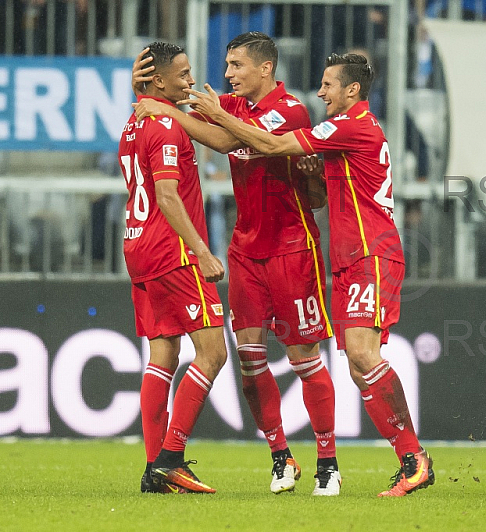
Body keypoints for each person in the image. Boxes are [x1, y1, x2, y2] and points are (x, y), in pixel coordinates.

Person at [171, 52, 435, 498]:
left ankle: (409, 459)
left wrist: (218, 115)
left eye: (328, 85)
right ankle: (407, 457)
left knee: (361, 355)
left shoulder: (348, 124)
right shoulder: (342, 132)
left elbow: (273, 146)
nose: (320, 93)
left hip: (370, 251)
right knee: (358, 364)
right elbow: (319, 192)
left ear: (352, 89)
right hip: (347, 256)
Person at [132, 32, 340, 496]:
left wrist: (184, 114)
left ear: (265, 68)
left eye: (237, 65)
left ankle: (327, 461)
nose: (227, 74)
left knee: (303, 357)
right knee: (249, 359)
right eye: (227, 65)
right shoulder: (232, 103)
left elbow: (237, 141)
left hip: (292, 247)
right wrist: (142, 87)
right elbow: (169, 96)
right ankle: (281, 456)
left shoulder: (291, 110)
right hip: (246, 251)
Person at [119, 41, 228, 495]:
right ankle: (171, 458)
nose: (191, 80)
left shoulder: (136, 120)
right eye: (182, 74)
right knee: (213, 353)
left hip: (138, 247)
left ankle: (152, 471)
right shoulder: (165, 126)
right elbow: (166, 195)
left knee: (162, 354)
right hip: (173, 252)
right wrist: (201, 250)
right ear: (159, 80)